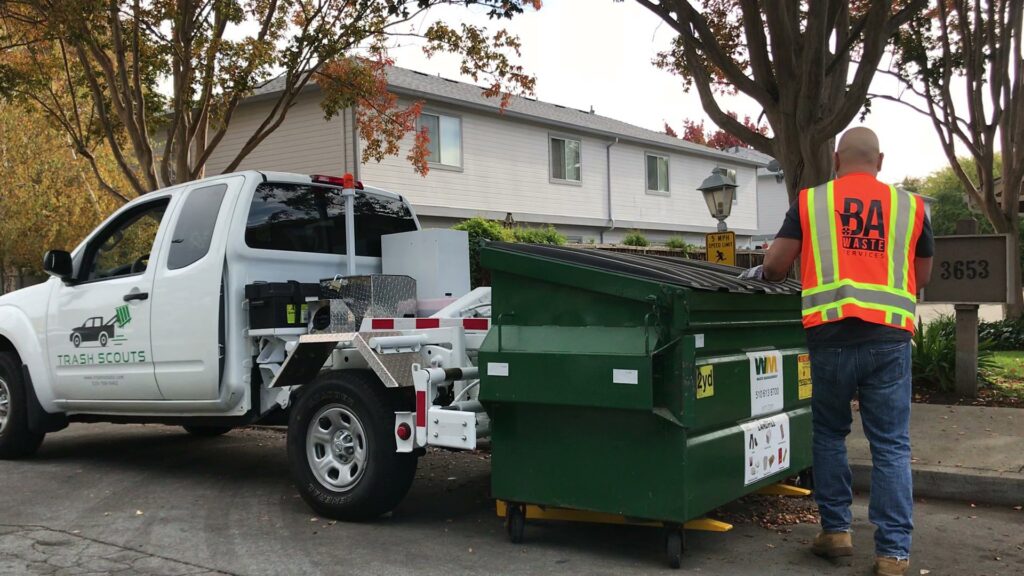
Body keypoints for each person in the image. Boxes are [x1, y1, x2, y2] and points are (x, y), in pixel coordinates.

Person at [739, 127, 933, 576]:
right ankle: (893, 555)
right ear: (879, 160)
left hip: (829, 337)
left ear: (837, 160)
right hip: (888, 338)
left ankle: (837, 532)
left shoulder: (810, 202)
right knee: (891, 445)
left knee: (829, 434)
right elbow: (919, 277)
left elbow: (775, 265)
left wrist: (762, 277)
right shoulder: (912, 207)